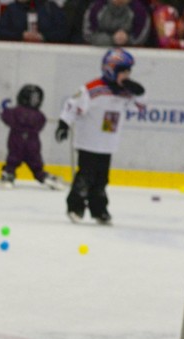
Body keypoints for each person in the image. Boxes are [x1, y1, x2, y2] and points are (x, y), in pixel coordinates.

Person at [57, 48, 145, 225]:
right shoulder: (93, 89)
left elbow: (140, 108)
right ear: (110, 70)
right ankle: (75, 206)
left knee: (102, 179)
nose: (127, 75)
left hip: (107, 144)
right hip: (88, 142)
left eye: (128, 72)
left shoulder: (126, 92)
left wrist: (140, 93)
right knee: (85, 176)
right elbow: (72, 105)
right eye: (123, 71)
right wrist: (64, 124)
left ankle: (99, 210)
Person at [0, 84, 59, 187]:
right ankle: (41, 175)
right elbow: (40, 125)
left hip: (17, 141)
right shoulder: (39, 116)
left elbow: (5, 116)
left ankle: (9, 173)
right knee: (34, 161)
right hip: (32, 143)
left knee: (13, 159)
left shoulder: (15, 112)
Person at [0, 0, 73, 42]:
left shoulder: (50, 7)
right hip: (18, 56)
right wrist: (22, 35)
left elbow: (64, 33)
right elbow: (0, 33)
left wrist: (42, 36)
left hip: (47, 57)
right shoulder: (11, 9)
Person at [84, 0, 154, 45]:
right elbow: (88, 34)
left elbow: (142, 37)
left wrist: (127, 39)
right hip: (100, 49)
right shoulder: (97, 7)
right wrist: (112, 39)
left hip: (131, 51)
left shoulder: (139, 10)